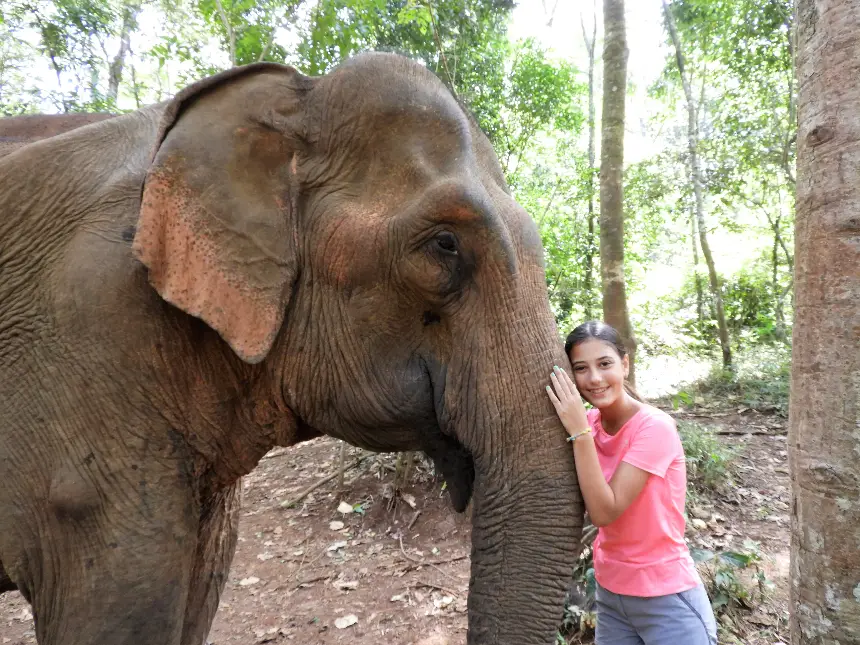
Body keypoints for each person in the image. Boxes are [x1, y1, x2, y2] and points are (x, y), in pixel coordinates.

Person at [546, 320, 718, 644]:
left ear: (624, 365)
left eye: (605, 364)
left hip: (666, 597)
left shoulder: (654, 428)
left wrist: (580, 432)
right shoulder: (590, 424)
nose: (594, 378)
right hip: (611, 595)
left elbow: (605, 511)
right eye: (581, 368)